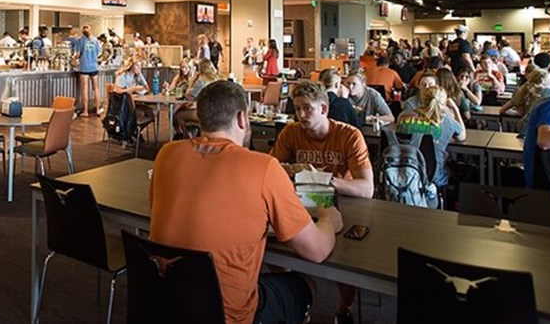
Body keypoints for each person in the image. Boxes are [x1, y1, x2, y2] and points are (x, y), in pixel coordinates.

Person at [150, 80, 342, 324]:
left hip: (167, 304)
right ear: (242, 118)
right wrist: (328, 219)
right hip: (228, 315)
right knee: (304, 285)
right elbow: (317, 251)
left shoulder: (166, 154)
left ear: (200, 117)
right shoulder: (264, 167)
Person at [271, 80, 372, 324]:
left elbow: (367, 188)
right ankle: (296, 296)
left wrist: (322, 179)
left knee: (346, 259)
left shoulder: (349, 135)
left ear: (324, 109)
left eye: (307, 108)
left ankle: (343, 308)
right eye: (297, 109)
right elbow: (270, 170)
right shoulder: (291, 132)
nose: (301, 115)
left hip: (340, 203)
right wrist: (291, 170)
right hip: (302, 202)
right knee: (275, 247)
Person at [395, 86, 467, 187]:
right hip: (432, 177)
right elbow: (462, 137)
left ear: (422, 99)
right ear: (444, 104)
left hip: (402, 172)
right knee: (449, 169)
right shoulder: (447, 122)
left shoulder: (403, 116)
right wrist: (455, 110)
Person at [173, 59, 220, 134]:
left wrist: (193, 81)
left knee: (178, 115)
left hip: (204, 113)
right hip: (217, 111)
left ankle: (187, 137)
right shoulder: (217, 79)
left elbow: (189, 96)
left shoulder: (202, 81)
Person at [72, 25, 103, 115]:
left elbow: (77, 54)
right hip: (94, 66)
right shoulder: (95, 40)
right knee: (96, 88)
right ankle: (97, 110)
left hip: (84, 67)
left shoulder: (80, 40)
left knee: (84, 89)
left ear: (82, 31)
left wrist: (74, 58)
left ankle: (85, 111)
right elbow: (99, 53)